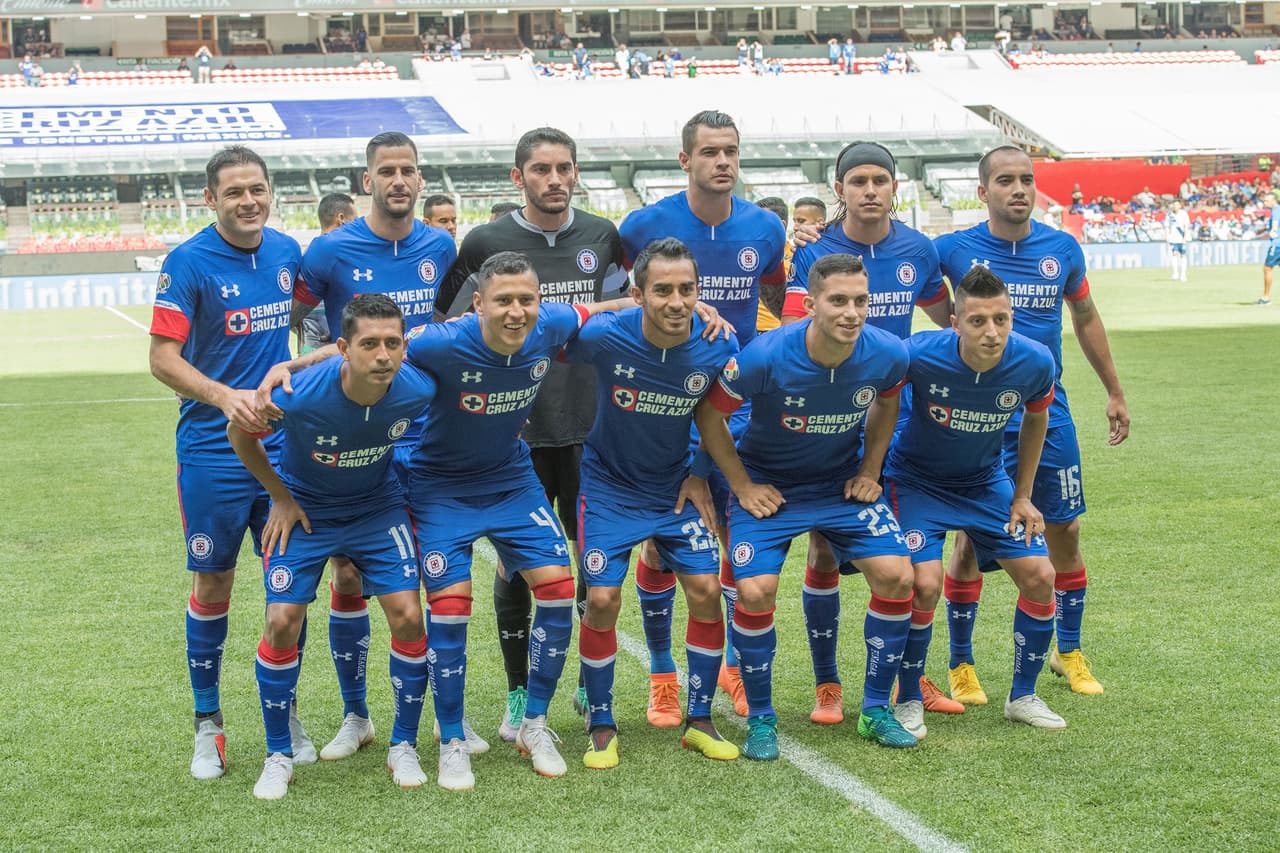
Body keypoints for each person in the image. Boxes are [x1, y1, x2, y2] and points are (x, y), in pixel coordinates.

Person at [404, 252, 633, 789]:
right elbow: (370, 350)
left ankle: (533, 724)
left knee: (558, 588)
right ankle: (453, 737)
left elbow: (602, 308)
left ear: (539, 302)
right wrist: (288, 369)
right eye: (503, 300)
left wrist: (668, 306)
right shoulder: (440, 341)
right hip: (440, 484)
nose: (516, 311)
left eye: (526, 300)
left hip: (510, 477)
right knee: (451, 605)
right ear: (477, 304)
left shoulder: (549, 323)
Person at [433, 127, 627, 742]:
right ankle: (518, 693)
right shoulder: (484, 242)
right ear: (518, 178)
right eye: (541, 169)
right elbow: (448, 326)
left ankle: (585, 683)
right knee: (516, 569)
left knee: (591, 563)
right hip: (514, 437)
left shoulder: (602, 236)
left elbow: (619, 314)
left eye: (564, 168)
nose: (555, 179)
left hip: (589, 428)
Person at [693, 252, 918, 759]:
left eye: (860, 301)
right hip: (770, 484)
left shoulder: (887, 353)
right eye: (838, 301)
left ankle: (876, 710)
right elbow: (709, 414)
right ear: (811, 304)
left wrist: (870, 471)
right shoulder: (765, 355)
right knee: (755, 590)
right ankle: (762, 719)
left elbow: (887, 403)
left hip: (839, 485)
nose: (851, 313)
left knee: (898, 576)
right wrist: (743, 485)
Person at [283, 132, 463, 761]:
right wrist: (298, 369)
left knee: (437, 570)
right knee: (349, 570)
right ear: (368, 181)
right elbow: (296, 320)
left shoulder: (440, 245)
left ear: (420, 178)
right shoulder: (330, 249)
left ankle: (446, 717)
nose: (398, 180)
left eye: (408, 170)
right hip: (362, 434)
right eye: (386, 171)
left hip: (424, 427)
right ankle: (355, 715)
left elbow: (445, 327)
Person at [934, 145, 1129, 701]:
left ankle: (1069, 650)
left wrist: (1114, 391)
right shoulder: (952, 249)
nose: (1018, 189)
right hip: (977, 413)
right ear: (983, 191)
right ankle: (961, 662)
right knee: (971, 537)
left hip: (1048, 409)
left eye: (1026, 179)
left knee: (1065, 529)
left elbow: (1085, 317)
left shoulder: (1061, 248)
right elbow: (897, 275)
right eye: (1004, 180)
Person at [148, 145, 312, 780]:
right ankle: (208, 724)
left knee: (288, 592)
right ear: (210, 198)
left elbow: (311, 324)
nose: (249, 201)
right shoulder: (187, 262)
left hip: (281, 451)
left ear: (271, 192)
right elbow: (162, 358)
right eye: (235, 192)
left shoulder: (287, 253)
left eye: (257, 189)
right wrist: (223, 397)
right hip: (211, 453)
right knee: (213, 582)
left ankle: (283, 709)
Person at [229, 295, 435, 798]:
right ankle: (278, 754)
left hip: (376, 508)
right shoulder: (298, 395)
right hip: (306, 510)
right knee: (281, 621)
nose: (383, 355)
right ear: (343, 348)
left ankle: (402, 744)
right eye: (369, 344)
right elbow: (239, 431)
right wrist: (279, 497)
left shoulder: (417, 388)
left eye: (392, 343)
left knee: (409, 616)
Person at [619, 110, 787, 724]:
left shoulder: (765, 227)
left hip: (736, 411)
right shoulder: (643, 225)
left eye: (731, 151)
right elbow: (625, 297)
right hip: (663, 407)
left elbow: (773, 291)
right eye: (711, 152)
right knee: (665, 542)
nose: (723, 162)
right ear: (685, 159)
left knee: (736, 538)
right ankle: (663, 673)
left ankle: (734, 668)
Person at [781, 141, 955, 726]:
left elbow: (949, 318)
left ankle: (911, 677)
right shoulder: (814, 250)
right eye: (858, 181)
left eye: (881, 180)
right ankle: (827, 684)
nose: (871, 190)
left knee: (915, 561)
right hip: (831, 422)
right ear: (840, 189)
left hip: (898, 423)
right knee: (825, 549)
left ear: (896, 187)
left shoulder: (919, 249)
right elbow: (791, 327)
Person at [566, 238, 740, 768]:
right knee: (601, 599)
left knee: (706, 590)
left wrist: (698, 473)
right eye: (662, 290)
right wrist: (612, 304)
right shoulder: (606, 335)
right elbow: (547, 332)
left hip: (674, 486)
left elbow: (717, 418)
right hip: (609, 487)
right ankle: (601, 724)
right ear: (638, 294)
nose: (677, 302)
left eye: (688, 289)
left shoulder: (718, 344)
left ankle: (699, 720)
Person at [885, 265, 1065, 737]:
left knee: (1041, 576)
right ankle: (908, 698)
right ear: (955, 323)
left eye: (1001, 319)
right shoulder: (918, 354)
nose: (992, 332)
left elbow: (1036, 419)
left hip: (986, 483)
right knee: (923, 584)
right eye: (978, 321)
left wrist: (1022, 495)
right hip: (917, 482)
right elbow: (880, 398)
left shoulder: (1035, 361)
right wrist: (869, 471)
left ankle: (1022, 696)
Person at [296, 192, 356, 354]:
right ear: (341, 219)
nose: (357, 227)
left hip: (311, 346)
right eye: (355, 220)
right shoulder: (338, 257)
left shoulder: (307, 256)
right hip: (327, 350)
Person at [1259, 191, 1279, 305]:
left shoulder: (1276, 210)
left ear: (1273, 201)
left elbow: (1275, 222)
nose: (1265, 202)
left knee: (1267, 268)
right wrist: (1264, 230)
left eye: (1267, 200)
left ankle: (1265, 298)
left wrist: (1273, 230)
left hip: (1277, 245)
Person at [1166, 200, 1193, 283]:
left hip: (1181, 236)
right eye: (1174, 205)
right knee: (1174, 254)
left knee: (1182, 255)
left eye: (1177, 205)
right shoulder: (1169, 215)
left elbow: (1186, 226)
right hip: (1173, 237)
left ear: (1180, 206)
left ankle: (1183, 274)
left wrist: (1185, 238)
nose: (1175, 206)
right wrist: (1167, 236)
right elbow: (1167, 226)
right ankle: (1175, 273)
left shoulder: (1184, 214)